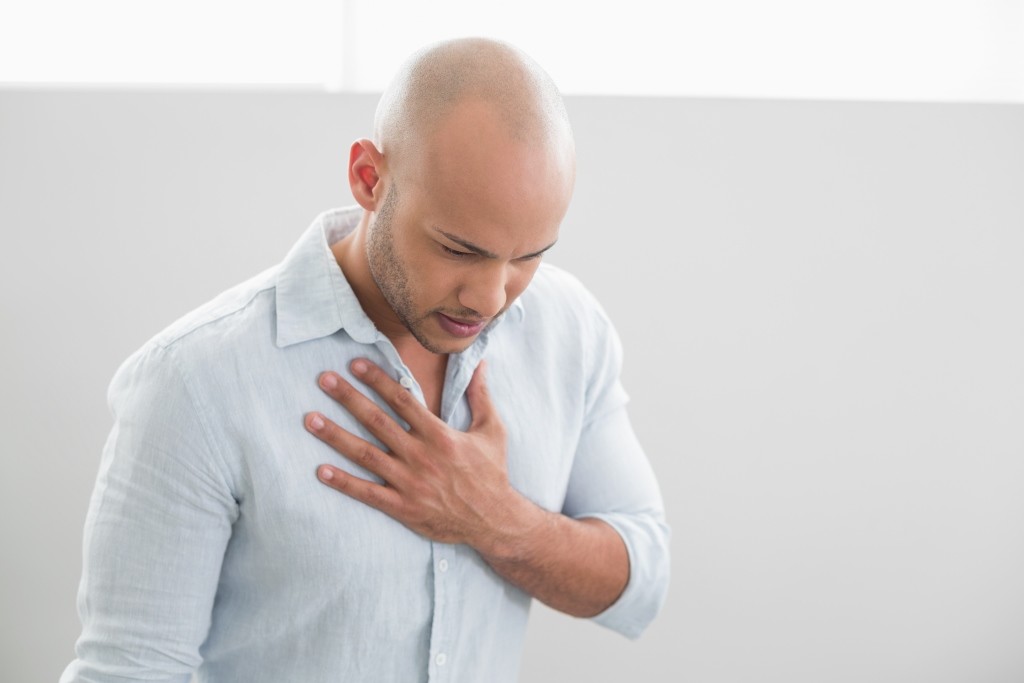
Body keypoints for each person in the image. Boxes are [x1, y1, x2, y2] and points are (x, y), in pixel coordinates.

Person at [61, 38, 670, 683]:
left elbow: (642, 583)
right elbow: (127, 671)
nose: (490, 297)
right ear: (368, 178)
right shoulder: (194, 383)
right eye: (459, 249)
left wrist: (498, 520)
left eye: (527, 256)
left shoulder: (567, 329)